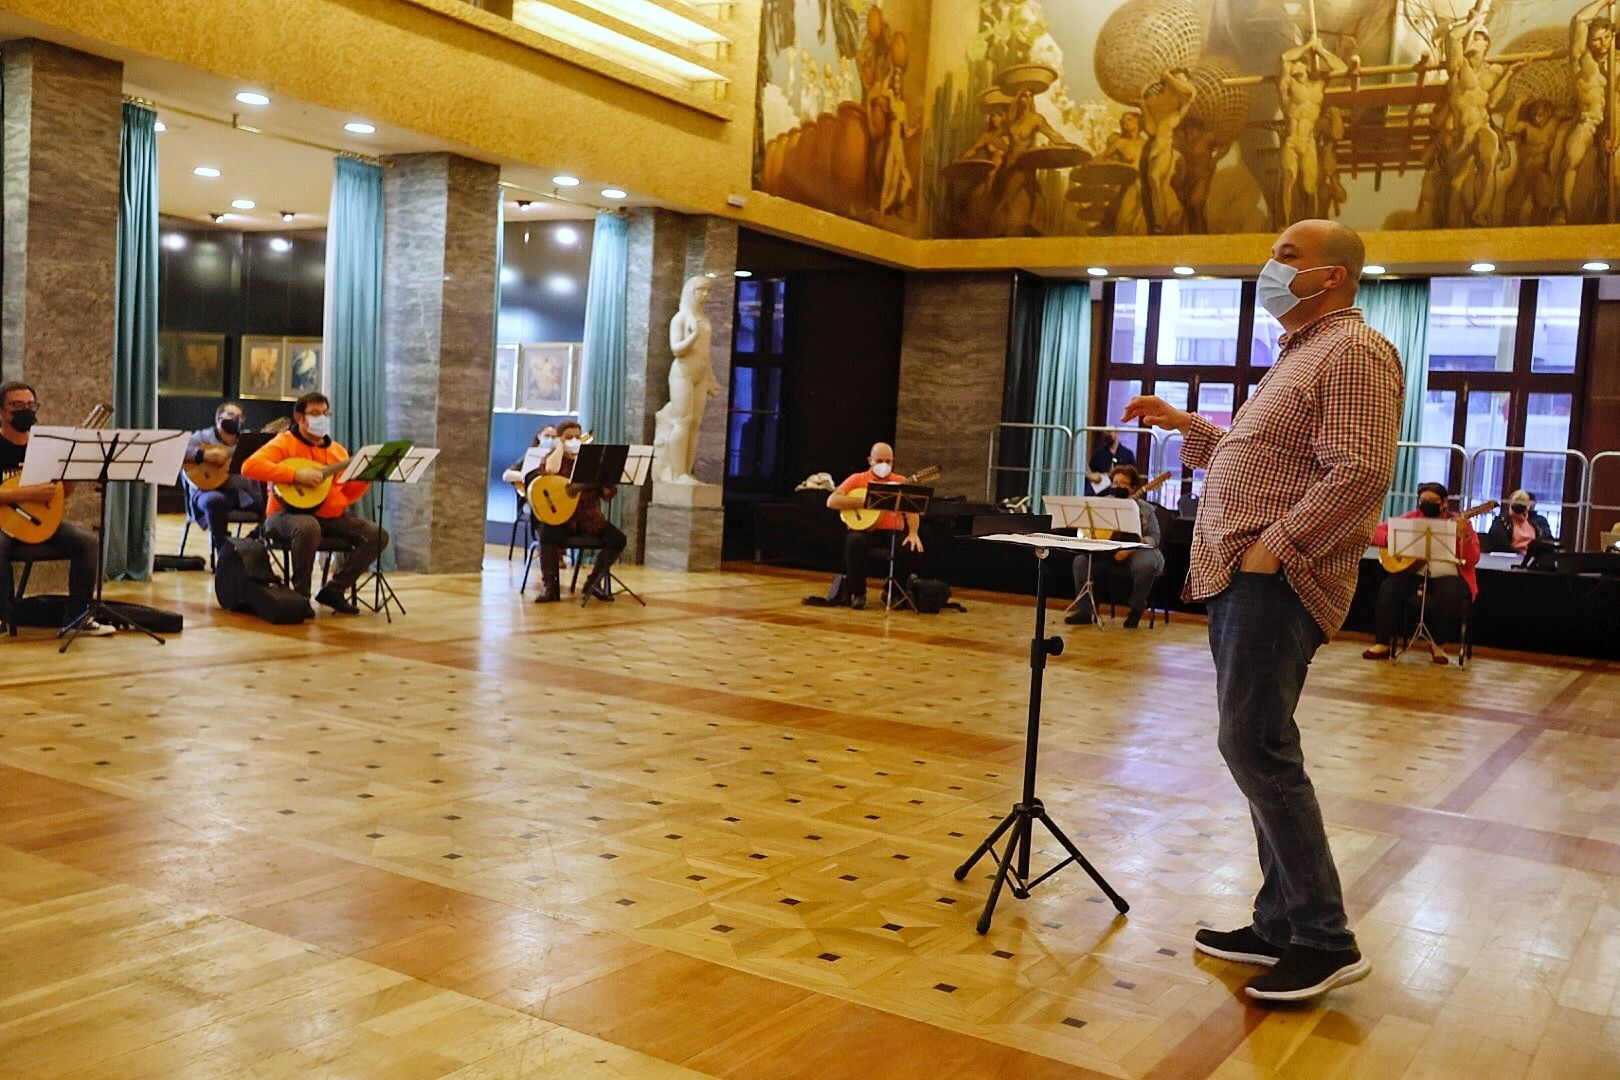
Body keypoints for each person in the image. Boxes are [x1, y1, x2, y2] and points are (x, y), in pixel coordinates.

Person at [1122, 219, 1402, 1001]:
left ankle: (1322, 936)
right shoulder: (1298, 355)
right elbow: (1266, 459)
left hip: (1276, 579)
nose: (1269, 267)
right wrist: (1192, 430)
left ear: (1333, 277)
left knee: (1256, 744)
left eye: (1287, 256)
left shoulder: (1353, 350)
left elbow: (1358, 471)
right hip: (1246, 575)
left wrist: (1275, 545)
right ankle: (1280, 921)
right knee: (1252, 745)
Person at [241, 392, 389, 614]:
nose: (322, 418)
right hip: (284, 515)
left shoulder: (337, 451)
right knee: (309, 526)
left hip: (331, 517)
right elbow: (249, 467)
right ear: (300, 418)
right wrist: (295, 476)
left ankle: (335, 590)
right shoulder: (284, 442)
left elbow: (347, 495)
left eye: (325, 414)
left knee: (377, 535)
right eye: (315, 414)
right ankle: (300, 597)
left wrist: (365, 476)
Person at [0, 381, 114, 636]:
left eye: (30, 405)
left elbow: (60, 495)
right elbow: (28, 492)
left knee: (87, 542)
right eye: (17, 406)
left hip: (38, 522)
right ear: (2, 411)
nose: (25, 411)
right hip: (3, 524)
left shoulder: (46, 446)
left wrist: (69, 475)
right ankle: (3, 619)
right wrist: (25, 493)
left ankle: (77, 618)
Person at [1363, 483, 1480, 664]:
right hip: (1413, 573)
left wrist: (1464, 536)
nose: (1426, 504)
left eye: (1432, 501)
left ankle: (1438, 645)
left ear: (1444, 503)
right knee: (1390, 587)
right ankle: (1382, 643)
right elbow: (1375, 533)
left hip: (1447, 574)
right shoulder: (1411, 518)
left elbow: (1472, 559)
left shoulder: (1460, 523)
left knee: (1450, 593)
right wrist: (1392, 540)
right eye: (1423, 500)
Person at [809, 442, 923, 610]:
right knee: (854, 541)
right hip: (865, 530)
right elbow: (832, 501)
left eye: (888, 461)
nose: (884, 465)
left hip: (892, 531)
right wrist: (865, 501)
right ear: (870, 460)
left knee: (910, 547)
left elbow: (912, 510)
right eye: (879, 460)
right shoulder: (858, 479)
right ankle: (858, 593)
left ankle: (892, 592)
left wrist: (913, 532)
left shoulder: (900, 481)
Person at [532, 419, 624, 604]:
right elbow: (549, 470)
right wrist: (558, 448)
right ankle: (550, 586)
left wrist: (607, 481)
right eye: (568, 437)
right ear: (560, 439)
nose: (574, 440)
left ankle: (593, 583)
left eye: (577, 437)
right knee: (547, 534)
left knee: (618, 539)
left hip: (589, 519)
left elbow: (607, 494)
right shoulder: (553, 457)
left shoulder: (592, 462)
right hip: (561, 520)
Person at [1066, 464, 1164, 629]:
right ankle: (1085, 611)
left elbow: (1155, 537)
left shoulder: (1146, 509)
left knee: (1146, 565)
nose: (1117, 487)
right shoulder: (1103, 504)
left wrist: (1130, 549)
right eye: (1115, 483)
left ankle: (1136, 610)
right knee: (1081, 562)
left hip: (1137, 549)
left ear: (1133, 488)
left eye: (1123, 484)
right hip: (1108, 548)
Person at [182, 401, 266, 555]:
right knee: (215, 501)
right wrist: (204, 455)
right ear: (218, 419)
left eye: (239, 417)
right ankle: (223, 551)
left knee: (273, 504)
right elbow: (180, 450)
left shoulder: (245, 441)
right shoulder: (203, 437)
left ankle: (249, 543)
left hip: (240, 492)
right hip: (207, 490)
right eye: (231, 415)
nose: (236, 420)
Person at [1481, 488, 1553, 554]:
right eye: (1517, 501)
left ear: (1529, 505)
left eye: (1523, 502)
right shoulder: (1501, 522)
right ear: (1511, 503)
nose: (1520, 504)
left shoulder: (1536, 523)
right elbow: (1501, 547)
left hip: (1529, 562)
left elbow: (1545, 543)